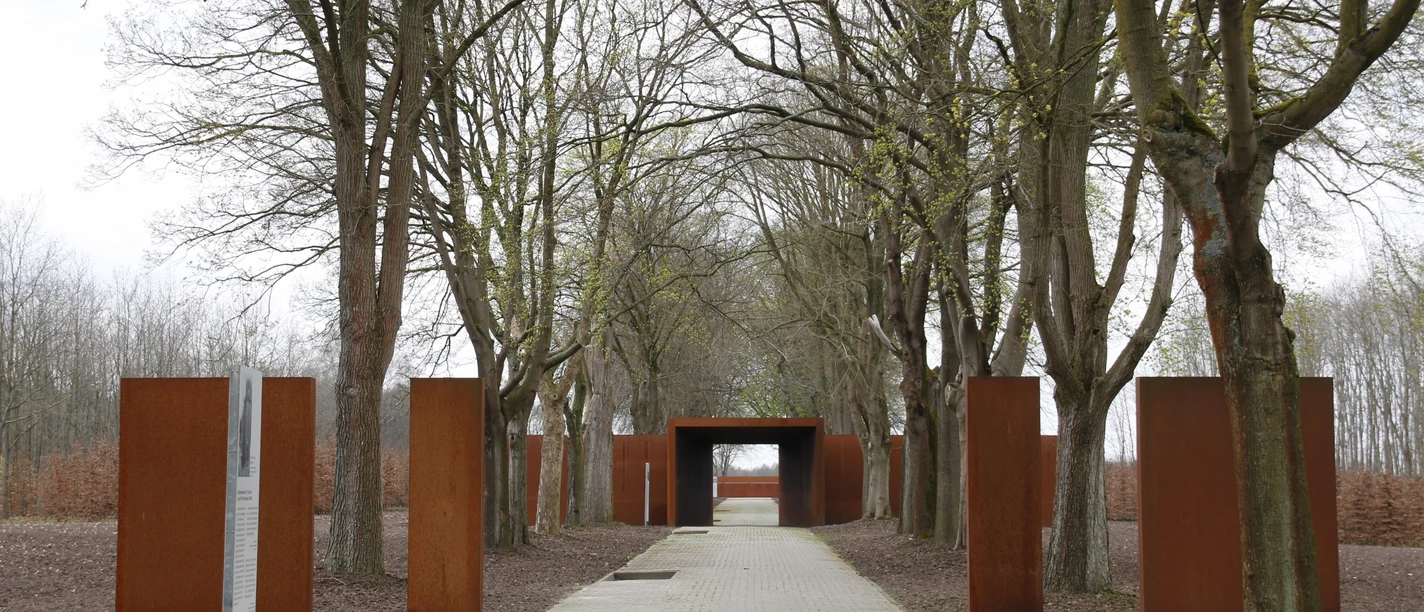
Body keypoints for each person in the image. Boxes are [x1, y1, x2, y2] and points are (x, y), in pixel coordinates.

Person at [239, 377, 252, 477]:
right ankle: (244, 462)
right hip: (246, 414)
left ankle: (245, 462)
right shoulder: (246, 402)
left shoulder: (248, 403)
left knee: (246, 441)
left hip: (247, 412)